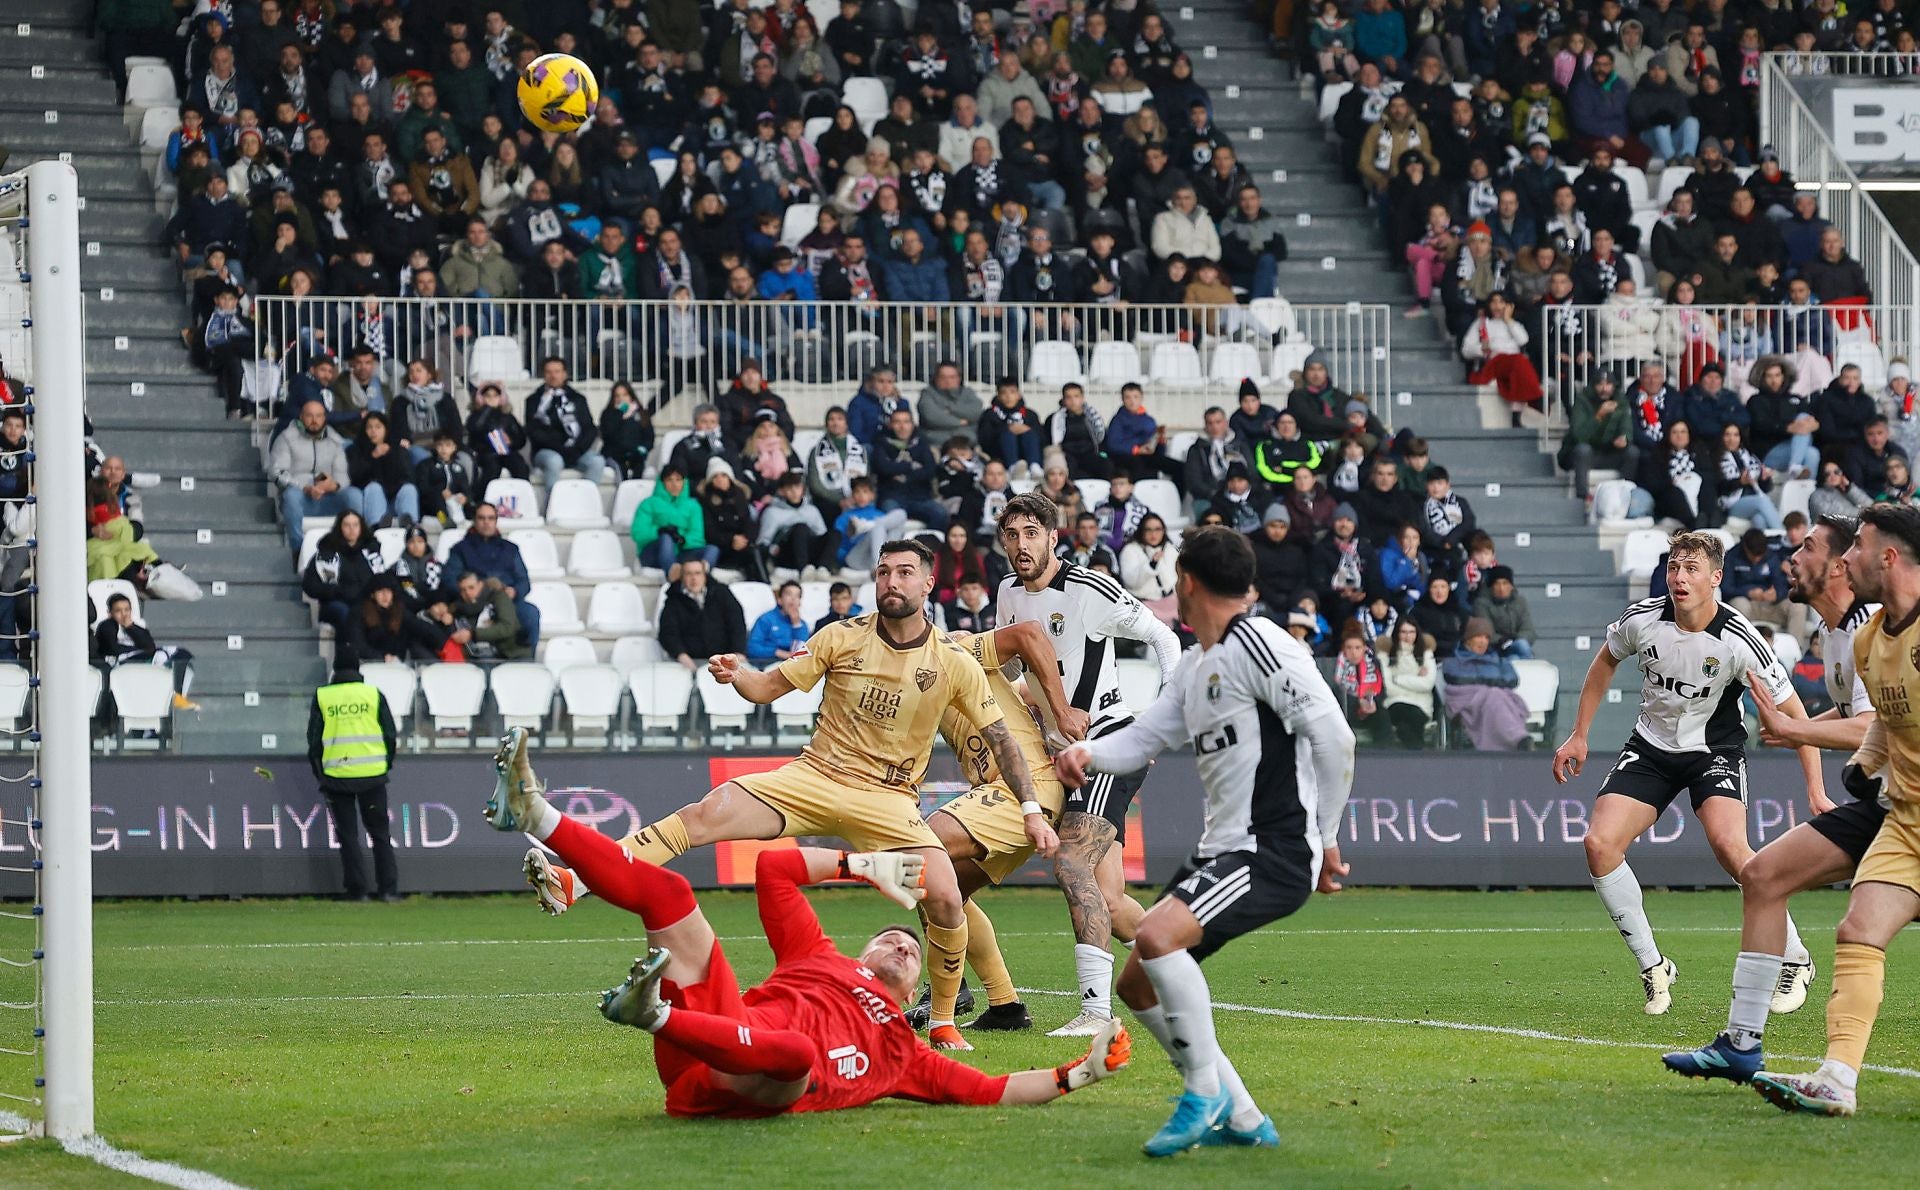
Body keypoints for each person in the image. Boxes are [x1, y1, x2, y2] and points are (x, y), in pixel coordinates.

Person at [486, 734, 1131, 1116]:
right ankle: (535, 812)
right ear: (865, 949)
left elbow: (992, 1090)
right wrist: (862, 865)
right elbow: (774, 868)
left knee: (797, 1055)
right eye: (893, 937)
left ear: (911, 994)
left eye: (909, 948)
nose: (902, 944)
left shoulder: (903, 1056)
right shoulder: (816, 956)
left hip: (743, 1084)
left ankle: (648, 1011)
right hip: (713, 1035)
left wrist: (1081, 1074)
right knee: (670, 891)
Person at [564, 538, 1046, 1048]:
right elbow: (768, 687)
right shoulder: (838, 637)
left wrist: (1032, 809)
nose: (892, 582)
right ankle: (580, 878)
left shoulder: (953, 662)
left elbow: (1004, 742)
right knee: (705, 813)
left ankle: (945, 1019)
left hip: (887, 799)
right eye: (883, 572)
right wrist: (739, 676)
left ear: (928, 584)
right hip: (813, 777)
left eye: (905, 573)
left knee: (947, 896)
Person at [1056, 525, 1354, 1155]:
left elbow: (1336, 737)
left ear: (1187, 582)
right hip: (1224, 852)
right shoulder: (1195, 666)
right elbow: (1144, 739)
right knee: (1137, 983)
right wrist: (1087, 751)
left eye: (1176, 581)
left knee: (1159, 938)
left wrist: (1324, 837)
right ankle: (1243, 1117)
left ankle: (1202, 1092)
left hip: (1270, 849)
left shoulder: (1262, 643)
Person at [1550, 532, 1825, 1014]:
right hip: (1651, 747)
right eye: (1675, 566)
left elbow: (1795, 715)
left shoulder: (1741, 640)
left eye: (1691, 568)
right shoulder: (1642, 619)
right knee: (1599, 844)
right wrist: (1579, 734)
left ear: (1716, 578)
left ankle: (1796, 959)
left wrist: (1816, 791)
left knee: (1730, 848)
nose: (1679, 576)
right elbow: (1603, 664)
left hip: (1713, 750)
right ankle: (1654, 966)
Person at [1664, 514, 1878, 1082]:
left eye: (1805, 547)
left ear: (1838, 566)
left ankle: (1834, 1075)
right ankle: (1741, 1044)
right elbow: (1860, 719)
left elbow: (1871, 728)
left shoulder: (1872, 631)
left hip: (1907, 804)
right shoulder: (1836, 631)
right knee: (1762, 876)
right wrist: (1798, 727)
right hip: (1887, 803)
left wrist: (1798, 731)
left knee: (1862, 929)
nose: (1791, 556)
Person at [1743, 505, 1920, 1116]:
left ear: (1888, 558)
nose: (1846, 560)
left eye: (1857, 548)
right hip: (1906, 820)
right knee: (1857, 930)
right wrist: (1861, 763)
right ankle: (1837, 1078)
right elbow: (1883, 722)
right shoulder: (1869, 640)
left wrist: (1800, 730)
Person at [998, 491, 1182, 1037]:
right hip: (1063, 753)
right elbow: (1009, 668)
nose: (1021, 544)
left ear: (1053, 537)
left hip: (1109, 743)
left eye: (1032, 532)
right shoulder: (1008, 593)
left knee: (1071, 863)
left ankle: (1096, 1014)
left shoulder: (1088, 588)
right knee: (1109, 897)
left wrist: (1161, 720)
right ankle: (1176, 966)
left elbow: (1163, 638)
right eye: (1012, 535)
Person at [308, 646, 399, 902]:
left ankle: (358, 891)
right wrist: (385, 765)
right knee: (380, 834)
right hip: (373, 774)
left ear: (335, 670)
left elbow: (314, 740)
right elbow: (390, 735)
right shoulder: (373, 694)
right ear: (359, 670)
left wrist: (320, 774)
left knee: (348, 836)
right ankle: (388, 890)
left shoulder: (324, 696)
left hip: (337, 777)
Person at [271, 399, 352, 554]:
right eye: (309, 416)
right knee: (291, 496)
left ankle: (354, 548)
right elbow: (277, 472)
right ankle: (298, 550)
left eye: (319, 416)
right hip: (300, 497)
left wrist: (333, 485)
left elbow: (343, 477)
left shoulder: (334, 440)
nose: (314, 420)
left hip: (328, 497)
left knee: (353, 495)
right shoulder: (286, 438)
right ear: (301, 417)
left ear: (324, 418)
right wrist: (305, 487)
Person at [94, 594, 198, 713]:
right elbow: (112, 648)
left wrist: (130, 627)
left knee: (181, 655)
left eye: (127, 610)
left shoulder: (134, 626)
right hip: (118, 661)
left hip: (142, 658)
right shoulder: (107, 626)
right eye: (118, 611)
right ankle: (165, 691)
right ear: (110, 613)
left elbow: (149, 645)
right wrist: (137, 650)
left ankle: (178, 696)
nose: (124, 614)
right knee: (161, 656)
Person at [525, 357, 607, 488]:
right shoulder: (534, 400)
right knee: (554, 461)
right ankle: (552, 505)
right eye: (549, 372)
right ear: (544, 375)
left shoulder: (578, 399)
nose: (553, 376)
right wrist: (560, 448)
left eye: (557, 371)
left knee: (597, 461)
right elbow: (533, 430)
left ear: (564, 374)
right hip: (547, 451)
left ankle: (584, 500)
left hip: (577, 450)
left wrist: (578, 449)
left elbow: (589, 428)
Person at [1380, 620, 1438, 748]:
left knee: (1409, 722)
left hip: (1421, 706)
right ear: (1396, 633)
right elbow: (1387, 688)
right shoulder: (1386, 654)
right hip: (1395, 703)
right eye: (1403, 632)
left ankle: (1411, 749)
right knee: (1406, 711)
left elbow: (1428, 684)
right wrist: (1416, 682)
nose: (1408, 636)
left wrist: (1397, 679)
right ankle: (1418, 754)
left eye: (1412, 632)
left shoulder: (1426, 654)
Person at [747, 580, 812, 665]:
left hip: (791, 666)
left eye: (797, 596)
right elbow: (752, 648)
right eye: (789, 594)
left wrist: (796, 625)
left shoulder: (801, 625)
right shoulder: (765, 619)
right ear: (779, 600)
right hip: (767, 664)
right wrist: (777, 652)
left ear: (800, 602)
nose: (793, 598)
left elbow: (800, 654)